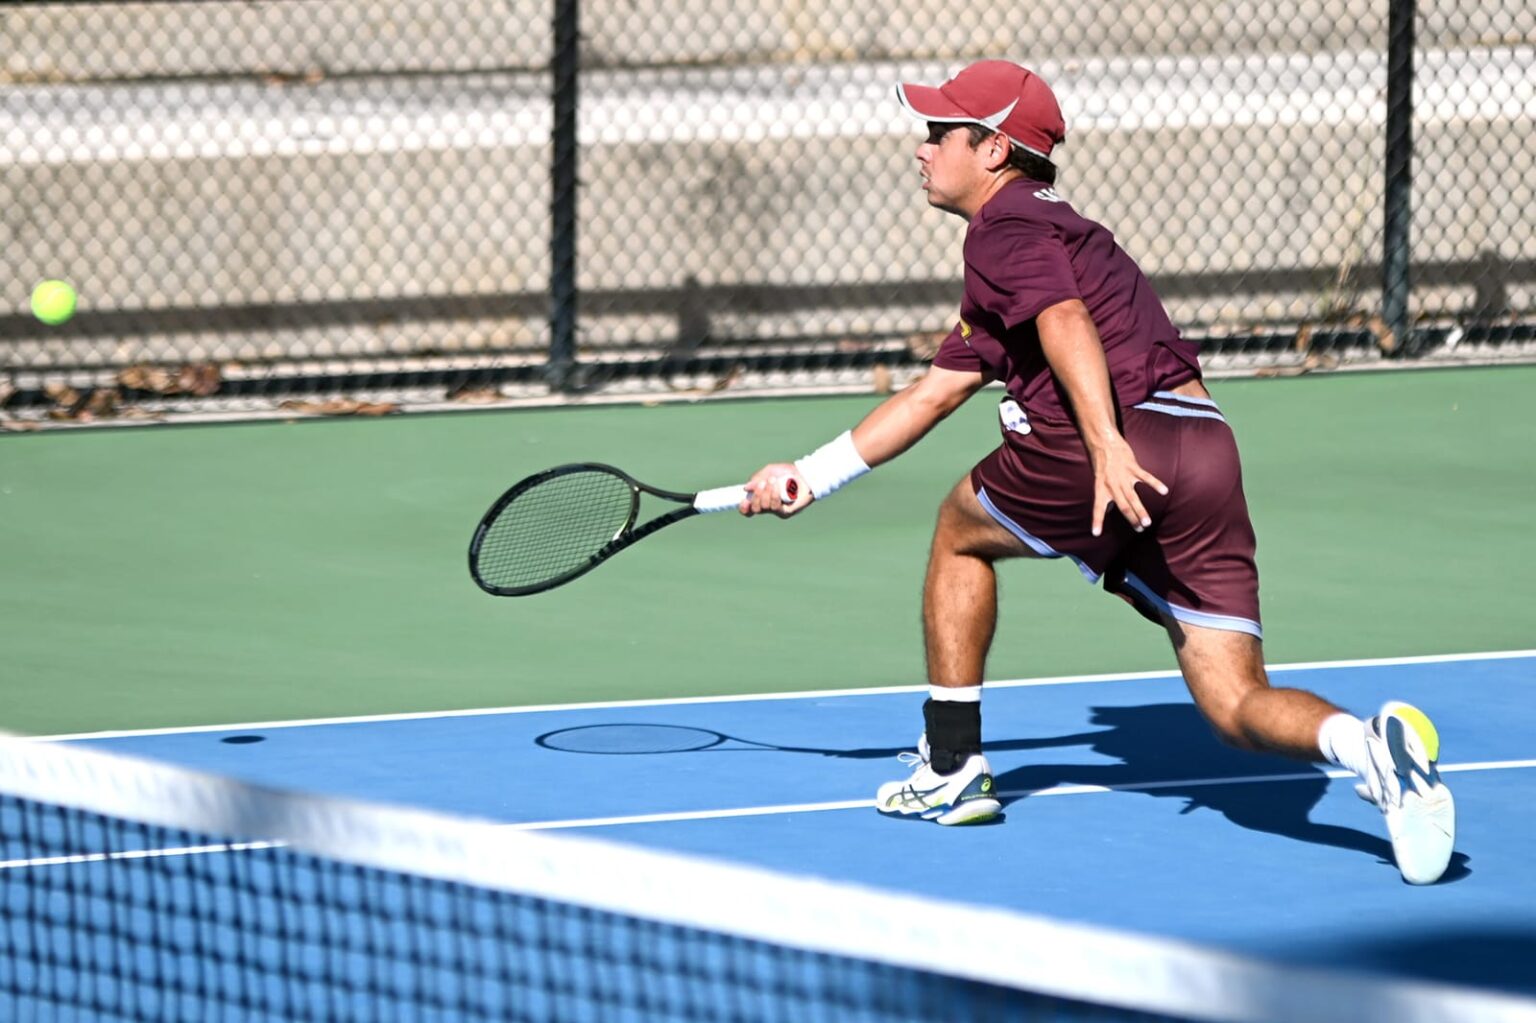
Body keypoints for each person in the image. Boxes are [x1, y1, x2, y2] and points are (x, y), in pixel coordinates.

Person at [738, 59, 1455, 884]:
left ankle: (950, 768)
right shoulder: (1060, 233)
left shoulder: (1002, 230)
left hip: (1110, 443)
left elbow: (1065, 318)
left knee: (958, 533)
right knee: (1233, 702)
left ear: (996, 149)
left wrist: (1108, 443)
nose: (922, 147)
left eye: (941, 131)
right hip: (1204, 447)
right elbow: (935, 393)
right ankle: (1369, 748)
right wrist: (810, 474)